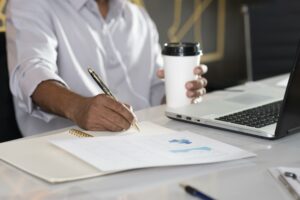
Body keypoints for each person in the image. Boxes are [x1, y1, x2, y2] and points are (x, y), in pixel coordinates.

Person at [6, 0, 207, 137]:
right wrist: (78, 107)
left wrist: (183, 91)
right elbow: (31, 73)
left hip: (142, 143)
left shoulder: (138, 17)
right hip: (63, 153)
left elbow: (156, 90)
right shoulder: (31, 4)